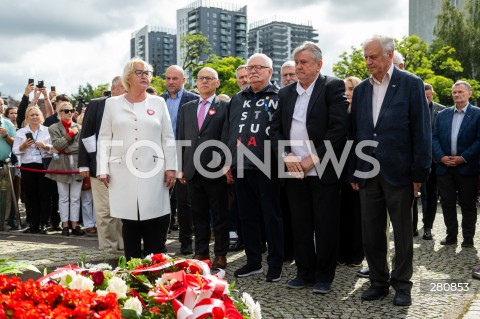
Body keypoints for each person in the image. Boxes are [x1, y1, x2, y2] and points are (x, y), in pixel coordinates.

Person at [349, 35, 431, 306]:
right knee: (371, 232)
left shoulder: (411, 84)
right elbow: (355, 133)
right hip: (368, 172)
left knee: (403, 233)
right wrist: (353, 170)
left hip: (400, 173)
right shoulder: (361, 90)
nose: (368, 62)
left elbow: (421, 132)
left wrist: (419, 174)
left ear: (389, 54)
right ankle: (378, 281)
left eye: (373, 56)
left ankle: (403, 284)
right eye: (365, 57)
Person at [270, 42, 349, 292]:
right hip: (294, 171)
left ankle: (324, 276)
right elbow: (275, 130)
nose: (299, 67)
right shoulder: (285, 93)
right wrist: (287, 156)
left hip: (323, 168)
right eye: (297, 63)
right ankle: (304, 273)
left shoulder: (332, 87)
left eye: (304, 62)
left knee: (325, 225)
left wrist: (311, 159)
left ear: (319, 64)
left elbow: (338, 129)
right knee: (300, 224)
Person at [96, 58, 177, 260]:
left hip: (153, 171)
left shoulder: (158, 103)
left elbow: (168, 137)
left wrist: (172, 167)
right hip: (122, 172)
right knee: (129, 222)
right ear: (128, 77)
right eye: (139, 72)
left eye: (148, 72)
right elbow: (105, 138)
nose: (145, 76)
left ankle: (155, 269)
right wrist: (102, 168)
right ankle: (131, 271)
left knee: (154, 219)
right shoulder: (112, 104)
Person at [223, 53, 284, 282]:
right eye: (250, 68)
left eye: (259, 67)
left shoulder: (280, 96)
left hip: (268, 165)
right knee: (247, 216)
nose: (253, 71)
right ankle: (253, 261)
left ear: (270, 71)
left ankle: (275, 263)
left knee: (272, 216)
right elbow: (229, 131)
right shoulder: (237, 99)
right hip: (241, 165)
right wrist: (228, 160)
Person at [178, 67, 229, 270]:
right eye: (201, 78)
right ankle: (201, 252)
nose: (205, 82)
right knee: (197, 214)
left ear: (217, 83)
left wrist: (226, 165)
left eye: (209, 78)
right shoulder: (187, 108)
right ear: (196, 82)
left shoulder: (225, 106)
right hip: (191, 169)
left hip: (215, 169)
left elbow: (227, 138)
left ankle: (221, 254)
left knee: (219, 215)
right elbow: (182, 138)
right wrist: (181, 167)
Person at [78, 76, 125, 251]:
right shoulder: (97, 104)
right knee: (105, 211)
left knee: (123, 211)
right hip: (100, 166)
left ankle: (124, 245)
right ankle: (108, 247)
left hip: (124, 166)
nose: (126, 91)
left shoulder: (132, 104)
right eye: (122, 87)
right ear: (113, 89)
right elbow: (86, 133)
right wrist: (83, 163)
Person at [432, 80, 480, 248]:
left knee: (467, 204)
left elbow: (479, 140)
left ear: (469, 94)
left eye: (460, 92)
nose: (457, 95)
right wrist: (440, 157)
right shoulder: (443, 114)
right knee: (447, 203)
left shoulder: (478, 114)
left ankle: (468, 238)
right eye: (454, 92)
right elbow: (434, 137)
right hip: (445, 167)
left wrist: (464, 157)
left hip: (467, 167)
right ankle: (451, 235)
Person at [161, 65, 199, 255]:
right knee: (161, 200)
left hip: (184, 155)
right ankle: (160, 242)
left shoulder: (194, 100)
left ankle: (186, 243)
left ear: (184, 80)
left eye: (175, 78)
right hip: (160, 155)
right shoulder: (158, 101)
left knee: (184, 202)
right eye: (168, 78)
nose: (171, 82)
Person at [45, 101, 85, 236]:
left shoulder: (79, 126)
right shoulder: (53, 127)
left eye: (71, 110)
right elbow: (57, 144)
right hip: (61, 166)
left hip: (77, 165)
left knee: (75, 197)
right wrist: (70, 134)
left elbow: (80, 147)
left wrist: (65, 148)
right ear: (59, 113)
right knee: (63, 197)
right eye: (66, 111)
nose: (69, 113)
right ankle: (65, 225)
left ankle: (75, 224)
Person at [13, 106, 54, 234]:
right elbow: (15, 150)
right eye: (31, 115)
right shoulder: (21, 132)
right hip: (27, 166)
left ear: (41, 116)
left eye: (37, 114)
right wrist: (23, 146)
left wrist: (45, 146)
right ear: (27, 117)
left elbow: (55, 149)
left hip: (43, 166)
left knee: (45, 196)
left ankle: (44, 224)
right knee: (31, 196)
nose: (35, 117)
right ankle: (34, 224)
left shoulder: (47, 131)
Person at [414, 83, 445, 240]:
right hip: (415, 159)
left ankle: (428, 227)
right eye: (423, 96)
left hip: (434, 160)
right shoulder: (412, 107)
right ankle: (412, 227)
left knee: (430, 195)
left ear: (432, 94)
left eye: (429, 96)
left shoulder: (442, 110)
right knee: (415, 195)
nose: (426, 99)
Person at [338, 76, 363, 268]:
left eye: (351, 89)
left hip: (357, 168)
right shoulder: (340, 112)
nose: (347, 92)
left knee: (356, 215)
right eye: (345, 89)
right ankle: (342, 252)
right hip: (337, 167)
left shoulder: (363, 113)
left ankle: (356, 255)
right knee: (341, 214)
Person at [0, 101, 17, 231]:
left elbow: (16, 144)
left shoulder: (8, 123)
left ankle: (4, 222)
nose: (0, 106)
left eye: (1, 104)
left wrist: (6, 136)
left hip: (5, 164)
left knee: (6, 196)